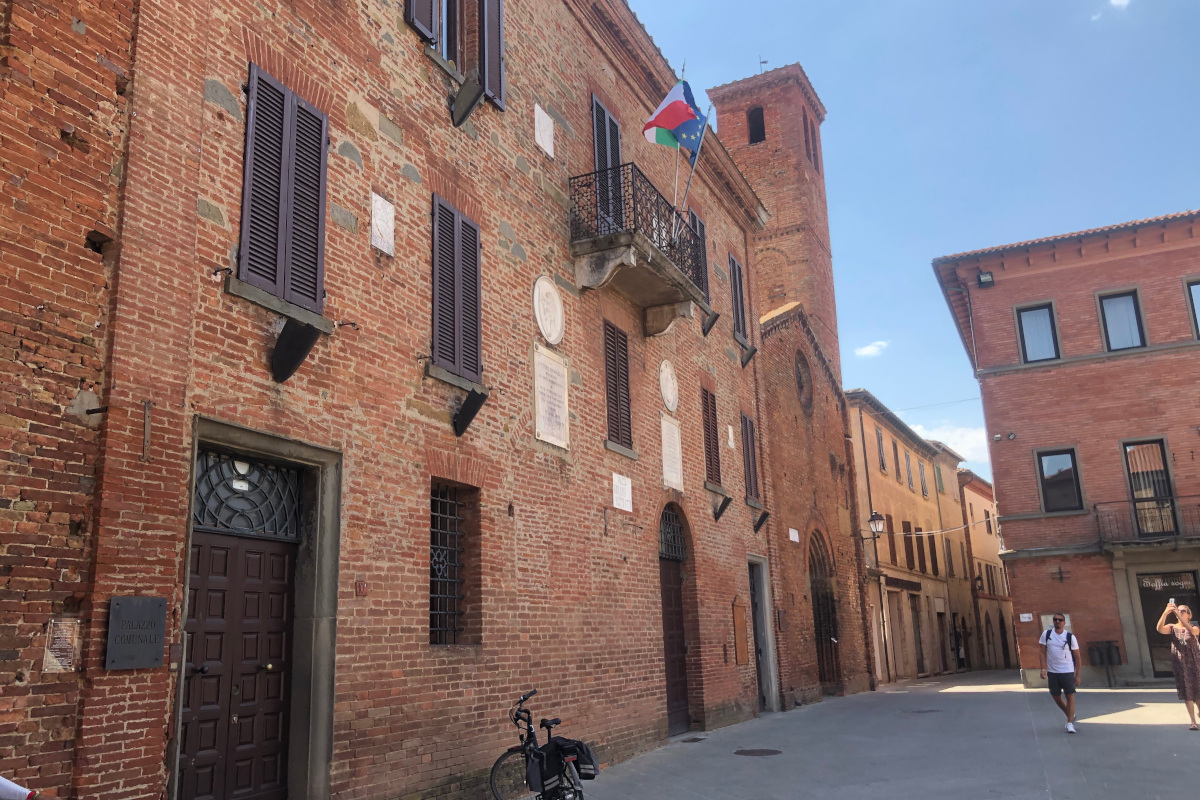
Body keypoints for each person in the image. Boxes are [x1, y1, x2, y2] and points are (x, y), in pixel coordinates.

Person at [1155, 602, 1200, 730]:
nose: (1180, 612)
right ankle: (1193, 721)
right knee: (1187, 692)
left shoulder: (1195, 626)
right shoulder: (1172, 627)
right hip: (1181, 663)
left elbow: (1192, 631)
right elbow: (1159, 629)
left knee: (1198, 691)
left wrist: (1179, 617)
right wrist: (1165, 612)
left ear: (1189, 615)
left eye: (1183, 611)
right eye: (1178, 610)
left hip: (1195, 662)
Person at [1039, 613, 1081, 733]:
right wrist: (1043, 669)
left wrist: (1077, 675)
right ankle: (1071, 714)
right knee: (1056, 697)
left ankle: (1069, 723)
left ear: (1064, 623)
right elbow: (1041, 652)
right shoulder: (1046, 635)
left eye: (1060, 620)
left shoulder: (1070, 637)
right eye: (1055, 619)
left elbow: (1077, 657)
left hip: (1067, 670)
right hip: (1052, 672)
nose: (1057, 621)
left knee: (1069, 696)